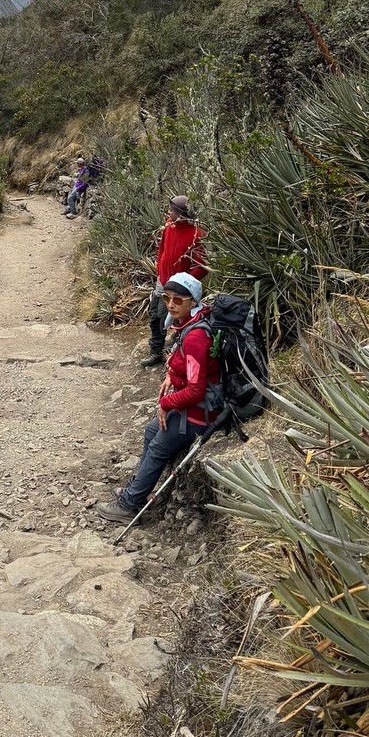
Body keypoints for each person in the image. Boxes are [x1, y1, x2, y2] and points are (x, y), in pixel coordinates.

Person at [97, 272, 219, 524]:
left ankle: (129, 505)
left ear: (193, 301)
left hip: (200, 414)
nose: (171, 304)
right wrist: (172, 376)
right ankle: (137, 491)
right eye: (167, 298)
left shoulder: (195, 337)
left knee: (158, 447)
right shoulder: (192, 322)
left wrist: (165, 403)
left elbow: (196, 389)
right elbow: (185, 366)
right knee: (153, 430)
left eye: (178, 300)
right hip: (197, 407)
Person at [141, 195, 206, 367]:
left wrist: (185, 283)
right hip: (162, 282)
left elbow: (202, 264)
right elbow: (161, 250)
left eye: (172, 209)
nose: (168, 211)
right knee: (156, 315)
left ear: (180, 212)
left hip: (180, 289)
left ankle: (177, 357)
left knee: (174, 319)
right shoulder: (169, 227)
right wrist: (160, 270)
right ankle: (156, 352)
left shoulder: (197, 234)